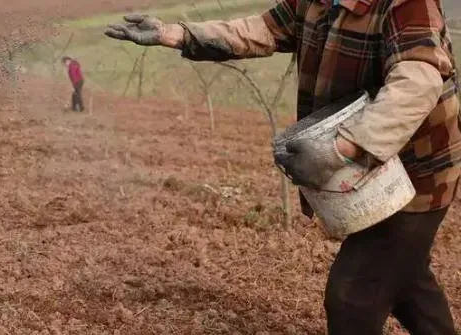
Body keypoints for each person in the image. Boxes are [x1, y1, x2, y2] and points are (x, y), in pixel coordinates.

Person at [104, 1, 461, 333]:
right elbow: (263, 29)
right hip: (372, 169)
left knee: (354, 295)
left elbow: (418, 82)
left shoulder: (405, 3)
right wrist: (178, 34)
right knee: (406, 278)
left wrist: (344, 147)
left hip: (417, 171)